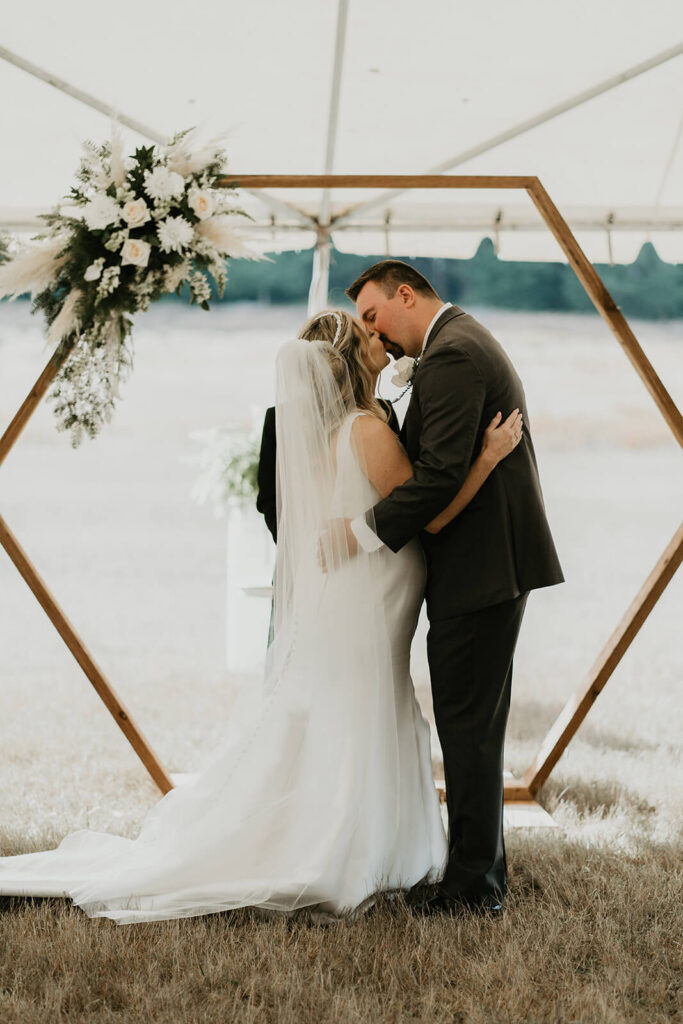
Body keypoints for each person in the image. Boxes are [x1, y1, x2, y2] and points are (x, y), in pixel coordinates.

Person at [0, 309, 521, 924]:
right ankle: (353, 847)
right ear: (353, 361)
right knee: (366, 707)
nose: (380, 340)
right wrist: (488, 458)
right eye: (368, 337)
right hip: (371, 599)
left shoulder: (336, 429)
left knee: (358, 707)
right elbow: (429, 514)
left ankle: (364, 838)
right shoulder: (366, 431)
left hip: (361, 595)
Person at [334, 260, 564, 916]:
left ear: (405, 294)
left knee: (466, 726)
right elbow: (449, 465)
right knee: (473, 724)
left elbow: (435, 478)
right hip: (484, 564)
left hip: (481, 566)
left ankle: (471, 890)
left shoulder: (453, 355)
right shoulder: (457, 342)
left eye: (374, 315)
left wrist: (359, 533)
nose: (373, 334)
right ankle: (481, 869)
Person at [256, 310, 400, 543]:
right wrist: (306, 554)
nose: (378, 332)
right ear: (354, 356)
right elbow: (271, 501)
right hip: (317, 563)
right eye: (368, 334)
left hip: (376, 558)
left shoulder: (386, 412)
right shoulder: (281, 418)